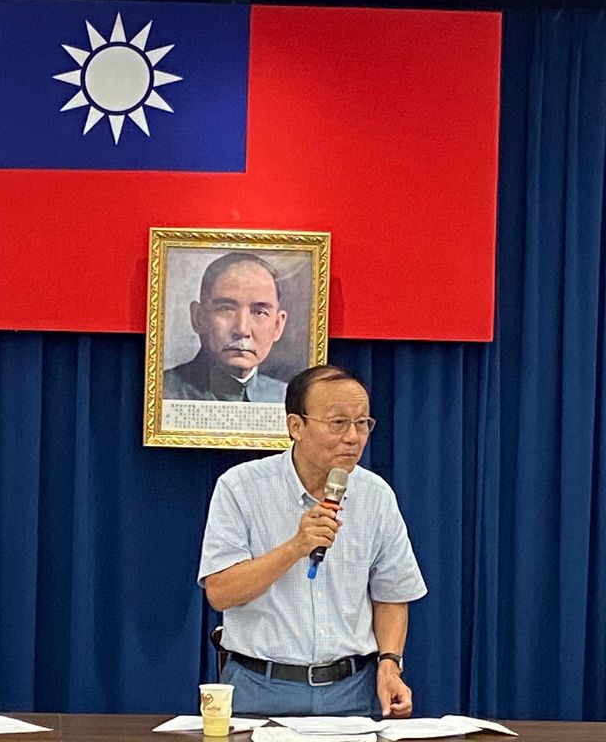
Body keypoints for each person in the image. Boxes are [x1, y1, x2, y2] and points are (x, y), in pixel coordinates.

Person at [198, 365, 427, 717]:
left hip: (353, 691)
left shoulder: (375, 495)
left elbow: (392, 594)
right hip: (260, 687)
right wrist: (295, 547)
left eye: (362, 423)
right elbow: (220, 592)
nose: (353, 437)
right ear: (296, 426)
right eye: (338, 423)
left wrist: (389, 664)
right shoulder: (241, 487)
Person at [163, 252, 291, 402]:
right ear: (199, 318)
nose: (242, 330)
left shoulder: (286, 397)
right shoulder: (162, 390)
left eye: (259, 312)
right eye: (226, 309)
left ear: (278, 325)